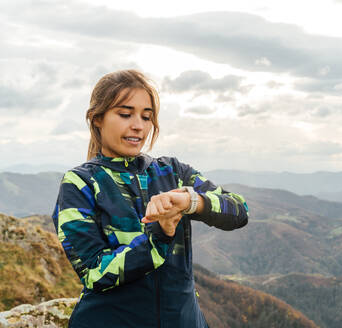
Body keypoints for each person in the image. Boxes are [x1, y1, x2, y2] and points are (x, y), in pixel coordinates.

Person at [52, 69, 249, 328]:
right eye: (125, 114)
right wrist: (160, 235)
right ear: (97, 118)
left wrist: (193, 202)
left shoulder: (172, 171)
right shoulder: (80, 183)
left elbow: (239, 210)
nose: (139, 125)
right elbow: (94, 273)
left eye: (147, 117)